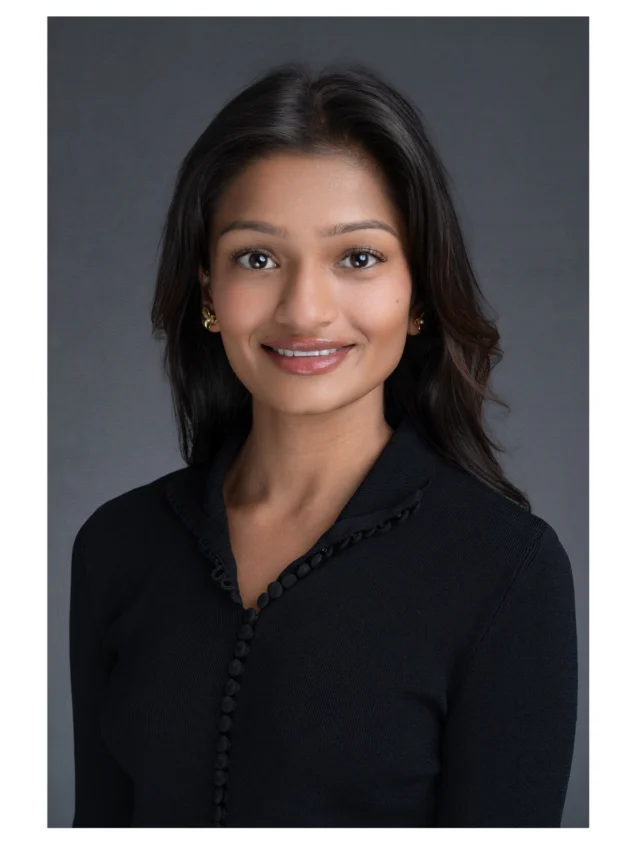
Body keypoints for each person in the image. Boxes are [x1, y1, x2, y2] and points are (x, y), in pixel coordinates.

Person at [69, 62, 578, 828]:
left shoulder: (507, 573)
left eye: (359, 258)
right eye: (258, 258)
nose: (305, 310)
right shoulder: (116, 547)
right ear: (208, 289)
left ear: (419, 294)